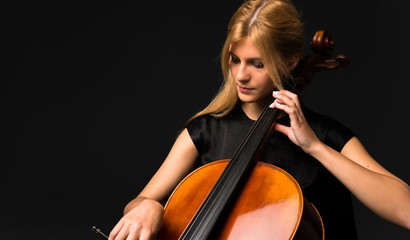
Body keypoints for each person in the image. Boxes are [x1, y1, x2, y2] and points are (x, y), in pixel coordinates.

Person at [108, 0, 410, 239]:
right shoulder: (205, 131)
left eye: (258, 64)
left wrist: (316, 148)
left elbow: (404, 209)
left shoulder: (325, 134)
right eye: (235, 59)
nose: (240, 75)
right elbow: (138, 203)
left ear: (290, 61)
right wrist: (147, 206)